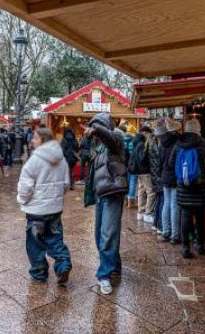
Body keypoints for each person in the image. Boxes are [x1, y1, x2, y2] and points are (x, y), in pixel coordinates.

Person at [17, 128, 72, 285]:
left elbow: (25, 188)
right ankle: (63, 265)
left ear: (42, 140)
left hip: (36, 211)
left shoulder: (34, 161)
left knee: (35, 242)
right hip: (55, 209)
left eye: (35, 138)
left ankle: (39, 272)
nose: (32, 141)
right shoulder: (62, 159)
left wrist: (22, 200)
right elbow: (66, 184)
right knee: (55, 239)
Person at [85, 113, 128, 295]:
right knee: (100, 234)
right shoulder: (98, 146)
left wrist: (96, 129)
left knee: (108, 234)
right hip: (102, 194)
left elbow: (109, 138)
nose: (93, 130)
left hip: (113, 192)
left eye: (97, 126)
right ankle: (115, 265)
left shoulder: (116, 136)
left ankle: (104, 274)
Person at [169, 118, 205, 258]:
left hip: (183, 188)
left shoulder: (179, 142)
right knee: (200, 217)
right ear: (198, 130)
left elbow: (171, 163)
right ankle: (200, 245)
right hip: (199, 188)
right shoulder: (201, 142)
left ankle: (185, 248)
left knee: (185, 216)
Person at [159, 118, 182, 244]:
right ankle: (174, 235)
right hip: (174, 176)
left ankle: (165, 232)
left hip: (165, 176)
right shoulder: (178, 142)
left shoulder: (162, 142)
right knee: (174, 206)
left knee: (166, 204)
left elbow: (160, 161)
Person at [129, 124, 154, 223]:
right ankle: (148, 213)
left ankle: (141, 212)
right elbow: (143, 158)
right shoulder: (142, 144)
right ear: (146, 133)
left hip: (138, 171)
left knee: (141, 191)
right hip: (145, 171)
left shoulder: (136, 142)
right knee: (151, 192)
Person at [149, 119, 166, 234]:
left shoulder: (152, 142)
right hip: (159, 176)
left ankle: (155, 223)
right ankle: (160, 225)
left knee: (159, 199)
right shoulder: (159, 145)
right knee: (162, 200)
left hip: (154, 176)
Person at [120, 124, 137, 208]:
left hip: (124, 164)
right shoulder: (134, 141)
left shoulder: (122, 140)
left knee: (126, 182)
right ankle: (131, 202)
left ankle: (126, 200)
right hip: (132, 165)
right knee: (132, 182)